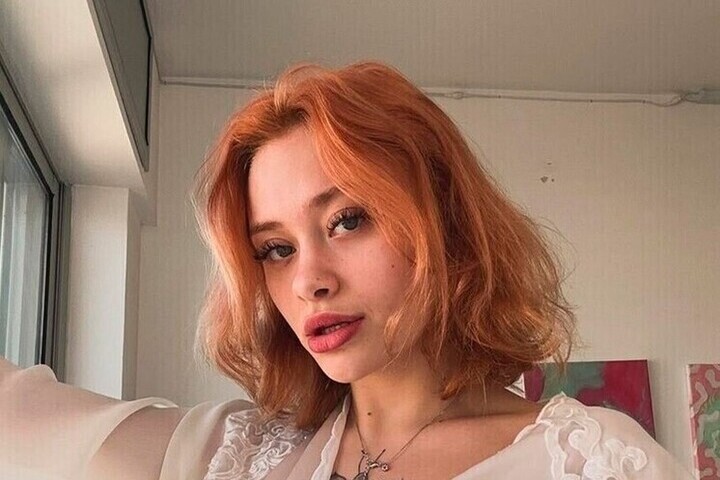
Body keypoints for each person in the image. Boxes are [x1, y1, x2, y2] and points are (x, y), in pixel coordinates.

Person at [0, 61, 693, 480]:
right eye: (276, 249)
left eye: (347, 220)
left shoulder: (594, 463)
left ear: (445, 220)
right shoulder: (228, 457)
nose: (310, 280)